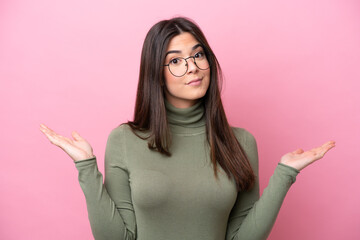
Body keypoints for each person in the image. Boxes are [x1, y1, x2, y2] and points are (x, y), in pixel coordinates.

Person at [39, 17, 335, 240]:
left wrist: (285, 173)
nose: (192, 67)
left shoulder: (241, 142)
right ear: (156, 75)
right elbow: (118, 238)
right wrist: (86, 166)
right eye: (176, 61)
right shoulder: (125, 140)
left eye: (198, 55)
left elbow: (241, 237)